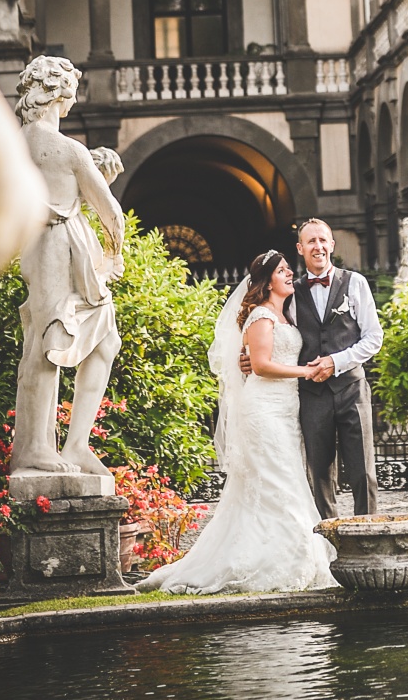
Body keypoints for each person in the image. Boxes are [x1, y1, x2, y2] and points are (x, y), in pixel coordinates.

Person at [139, 250, 335, 593]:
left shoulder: (284, 314)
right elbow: (260, 365)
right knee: (280, 485)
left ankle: (283, 553)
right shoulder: (261, 315)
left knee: (278, 485)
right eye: (284, 270)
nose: (291, 274)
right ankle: (288, 559)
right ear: (268, 279)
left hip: (286, 410)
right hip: (263, 411)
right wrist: (306, 371)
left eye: (290, 269)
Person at [10, 56, 125, 479]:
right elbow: (111, 214)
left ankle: (72, 445)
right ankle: (40, 447)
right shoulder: (67, 150)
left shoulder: (15, 142)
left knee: (99, 341)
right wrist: (114, 256)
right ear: (59, 95)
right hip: (60, 247)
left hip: (39, 246)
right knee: (50, 342)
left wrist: (86, 169)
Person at [256, 217, 383, 522]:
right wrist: (248, 358)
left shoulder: (355, 283)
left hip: (351, 388)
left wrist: (335, 362)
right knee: (320, 473)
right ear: (300, 248)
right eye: (311, 241)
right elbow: (269, 330)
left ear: (332, 245)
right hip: (312, 393)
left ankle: (368, 536)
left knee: (362, 470)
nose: (318, 246)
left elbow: (374, 338)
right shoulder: (290, 292)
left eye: (323, 240)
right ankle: (329, 542)